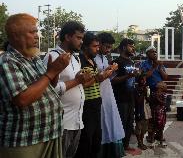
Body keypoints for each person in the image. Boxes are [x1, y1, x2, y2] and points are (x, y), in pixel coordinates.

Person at [0, 13, 70, 158]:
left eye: (36, 31)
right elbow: (22, 99)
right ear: (15, 35)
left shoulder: (34, 58)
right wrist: (51, 72)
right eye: (32, 32)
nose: (37, 36)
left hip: (48, 134)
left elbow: (48, 86)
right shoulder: (7, 62)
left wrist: (55, 72)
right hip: (24, 141)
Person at [43, 21, 92, 158]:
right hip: (62, 124)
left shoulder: (75, 58)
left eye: (82, 38)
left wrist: (88, 79)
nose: (81, 42)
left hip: (77, 121)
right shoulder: (52, 56)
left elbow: (77, 85)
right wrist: (77, 80)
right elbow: (47, 90)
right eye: (78, 38)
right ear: (67, 37)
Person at [75, 32, 111, 158]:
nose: (97, 49)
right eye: (94, 46)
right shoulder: (80, 60)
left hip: (96, 102)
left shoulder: (92, 60)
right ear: (85, 47)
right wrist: (97, 78)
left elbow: (96, 79)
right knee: (86, 140)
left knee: (96, 139)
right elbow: (79, 85)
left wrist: (105, 73)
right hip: (86, 105)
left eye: (98, 46)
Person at [94, 32, 125, 158]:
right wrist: (108, 71)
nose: (108, 50)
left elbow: (108, 77)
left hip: (108, 94)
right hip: (98, 94)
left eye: (110, 47)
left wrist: (112, 71)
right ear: (99, 44)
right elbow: (96, 77)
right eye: (106, 47)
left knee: (111, 121)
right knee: (101, 123)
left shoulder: (104, 58)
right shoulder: (93, 57)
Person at [111, 38, 140, 153]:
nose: (133, 48)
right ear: (123, 47)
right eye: (130, 46)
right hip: (120, 98)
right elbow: (112, 80)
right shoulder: (117, 62)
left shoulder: (131, 62)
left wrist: (137, 75)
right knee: (121, 122)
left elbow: (133, 78)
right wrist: (128, 76)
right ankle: (118, 147)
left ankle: (126, 145)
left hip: (131, 97)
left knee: (129, 123)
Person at [140, 46, 168, 143]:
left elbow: (165, 77)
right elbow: (144, 76)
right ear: (147, 54)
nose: (155, 53)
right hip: (150, 92)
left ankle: (160, 135)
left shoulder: (160, 64)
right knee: (152, 115)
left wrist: (159, 68)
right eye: (152, 52)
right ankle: (151, 136)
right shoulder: (144, 64)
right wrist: (153, 67)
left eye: (156, 52)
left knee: (162, 115)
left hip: (161, 93)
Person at [134, 73, 151, 150]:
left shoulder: (146, 88)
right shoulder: (136, 88)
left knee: (144, 128)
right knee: (139, 127)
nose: (144, 81)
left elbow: (148, 99)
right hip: (139, 110)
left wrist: (147, 93)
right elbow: (138, 101)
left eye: (145, 79)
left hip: (146, 110)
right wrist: (143, 92)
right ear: (139, 80)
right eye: (142, 79)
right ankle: (139, 142)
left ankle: (141, 141)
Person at [151, 81, 168, 148]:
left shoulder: (163, 94)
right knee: (154, 127)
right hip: (156, 112)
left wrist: (158, 99)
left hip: (161, 112)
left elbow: (164, 103)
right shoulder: (154, 94)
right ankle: (152, 141)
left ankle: (161, 141)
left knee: (161, 128)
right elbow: (152, 102)